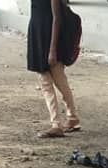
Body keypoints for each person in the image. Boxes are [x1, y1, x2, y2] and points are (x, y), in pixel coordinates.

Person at [27, 0, 81, 139]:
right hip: (38, 36)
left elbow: (57, 18)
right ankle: (62, 121)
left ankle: (66, 120)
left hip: (50, 40)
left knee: (60, 81)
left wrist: (52, 49)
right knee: (47, 83)